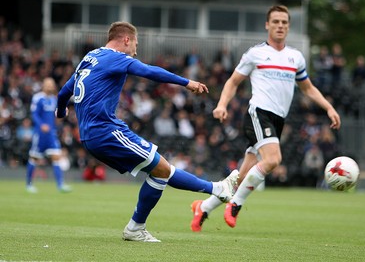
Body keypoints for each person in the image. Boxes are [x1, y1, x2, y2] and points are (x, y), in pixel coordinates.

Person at [55, 21, 239, 242]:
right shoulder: (117, 58)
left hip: (92, 134)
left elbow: (65, 91)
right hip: (105, 131)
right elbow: (149, 71)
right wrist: (186, 82)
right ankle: (217, 188)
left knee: (159, 171)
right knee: (163, 168)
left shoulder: (89, 58)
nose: (136, 50)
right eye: (136, 43)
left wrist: (60, 110)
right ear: (126, 40)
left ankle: (135, 227)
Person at [190, 5, 341, 231]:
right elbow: (232, 82)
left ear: (288, 27)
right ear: (267, 25)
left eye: (284, 22)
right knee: (273, 160)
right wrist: (222, 105)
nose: (280, 26)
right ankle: (236, 204)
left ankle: (203, 207)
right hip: (259, 113)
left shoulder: (295, 57)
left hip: (278, 120)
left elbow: (308, 88)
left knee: (240, 178)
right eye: (276, 22)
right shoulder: (255, 54)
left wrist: (329, 107)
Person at [26, 77, 72, 193]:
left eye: (52, 84)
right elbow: (34, 114)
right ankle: (29, 185)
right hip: (40, 134)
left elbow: (57, 114)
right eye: (48, 84)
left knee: (56, 157)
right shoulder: (38, 98)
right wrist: (41, 125)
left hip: (51, 134)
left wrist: (63, 113)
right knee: (34, 158)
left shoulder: (54, 99)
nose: (50, 86)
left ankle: (60, 185)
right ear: (43, 85)